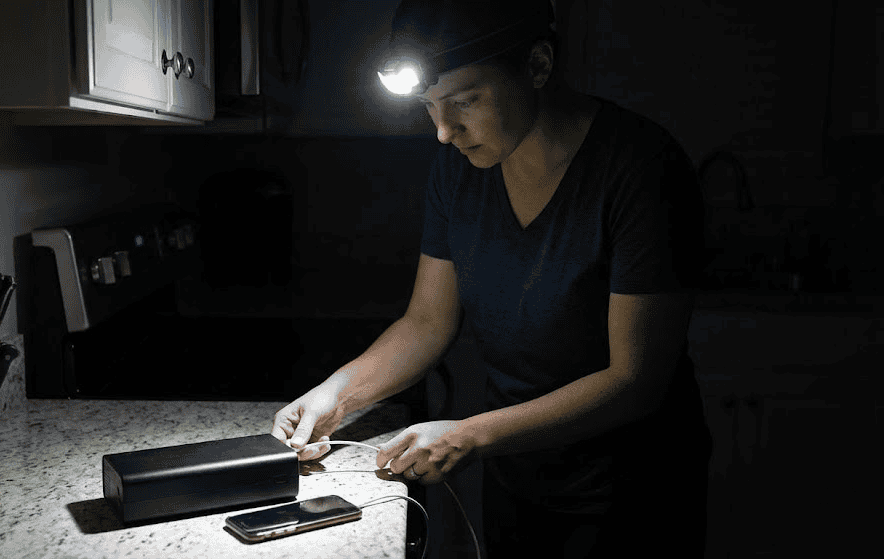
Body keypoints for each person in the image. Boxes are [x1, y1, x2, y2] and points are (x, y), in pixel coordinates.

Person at [271, 1, 713, 557]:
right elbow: (427, 322)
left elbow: (635, 379)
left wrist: (467, 434)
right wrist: (335, 396)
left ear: (537, 66)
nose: (442, 131)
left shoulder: (641, 167)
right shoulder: (458, 169)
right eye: (430, 106)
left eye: (465, 101)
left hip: (632, 493)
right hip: (518, 474)